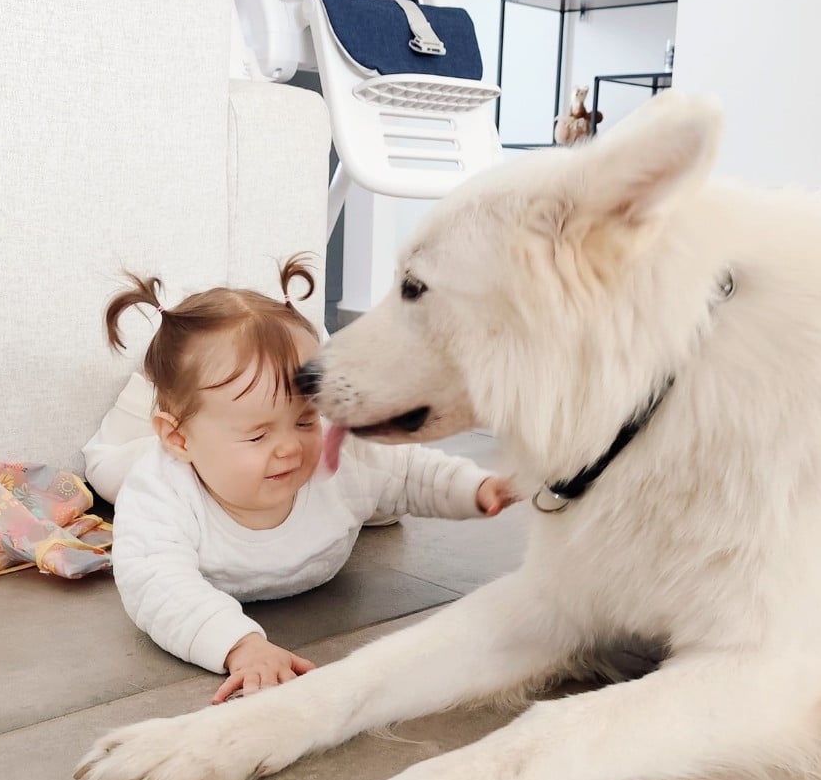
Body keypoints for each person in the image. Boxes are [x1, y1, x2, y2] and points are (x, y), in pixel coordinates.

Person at [86, 256, 516, 703]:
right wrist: (239, 645)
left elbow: (411, 470)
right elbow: (157, 585)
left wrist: (476, 488)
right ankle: (141, 395)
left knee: (380, 484)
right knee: (107, 472)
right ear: (179, 439)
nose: (290, 447)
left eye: (306, 420)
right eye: (258, 435)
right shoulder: (159, 490)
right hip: (149, 460)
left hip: (322, 480)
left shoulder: (339, 458)